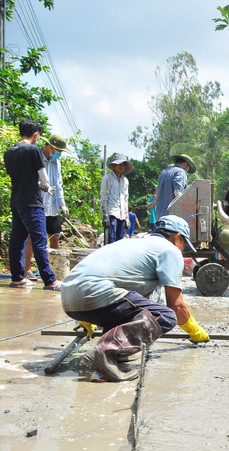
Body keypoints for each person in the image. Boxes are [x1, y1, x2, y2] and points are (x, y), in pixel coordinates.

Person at [60, 215, 210, 381]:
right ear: (177, 237)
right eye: (183, 245)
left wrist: (88, 316)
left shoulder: (132, 242)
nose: (182, 250)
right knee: (165, 316)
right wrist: (194, 330)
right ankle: (104, 352)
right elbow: (177, 306)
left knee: (136, 312)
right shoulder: (169, 250)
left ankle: (110, 355)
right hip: (95, 294)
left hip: (69, 298)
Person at [3, 119, 61, 290]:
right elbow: (44, 178)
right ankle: (50, 281)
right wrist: (46, 186)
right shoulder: (33, 150)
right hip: (32, 203)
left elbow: (20, 177)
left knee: (17, 241)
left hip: (17, 202)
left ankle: (17, 278)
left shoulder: (9, 152)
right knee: (40, 241)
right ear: (36, 134)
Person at [22, 133, 71, 279]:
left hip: (52, 206)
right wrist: (41, 186)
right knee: (32, 237)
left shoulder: (56, 163)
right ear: (51, 147)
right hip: (38, 203)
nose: (60, 154)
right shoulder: (37, 158)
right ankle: (27, 270)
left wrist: (62, 204)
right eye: (59, 151)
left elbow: (58, 184)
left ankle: (55, 269)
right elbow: (31, 179)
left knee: (55, 236)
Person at [100, 153, 132, 244]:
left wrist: (127, 217)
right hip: (111, 212)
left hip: (122, 214)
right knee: (111, 238)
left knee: (120, 240)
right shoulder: (107, 178)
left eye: (124, 165)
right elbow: (104, 196)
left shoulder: (125, 181)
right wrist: (105, 214)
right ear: (114, 165)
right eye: (120, 164)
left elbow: (126, 199)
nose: (122, 167)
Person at [155, 154, 196, 218]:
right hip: (171, 215)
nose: (187, 170)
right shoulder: (180, 172)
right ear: (185, 164)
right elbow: (177, 192)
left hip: (159, 214)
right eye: (188, 168)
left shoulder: (163, 172)